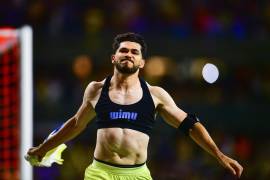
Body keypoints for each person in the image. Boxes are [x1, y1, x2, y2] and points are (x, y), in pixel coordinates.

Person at [27, 32, 243, 179]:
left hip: (137, 174)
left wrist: (220, 155)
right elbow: (75, 124)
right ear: (113, 58)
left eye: (134, 52)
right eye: (123, 50)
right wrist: (42, 149)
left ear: (142, 62)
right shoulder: (95, 89)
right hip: (100, 173)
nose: (128, 54)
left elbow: (191, 125)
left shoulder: (156, 95)